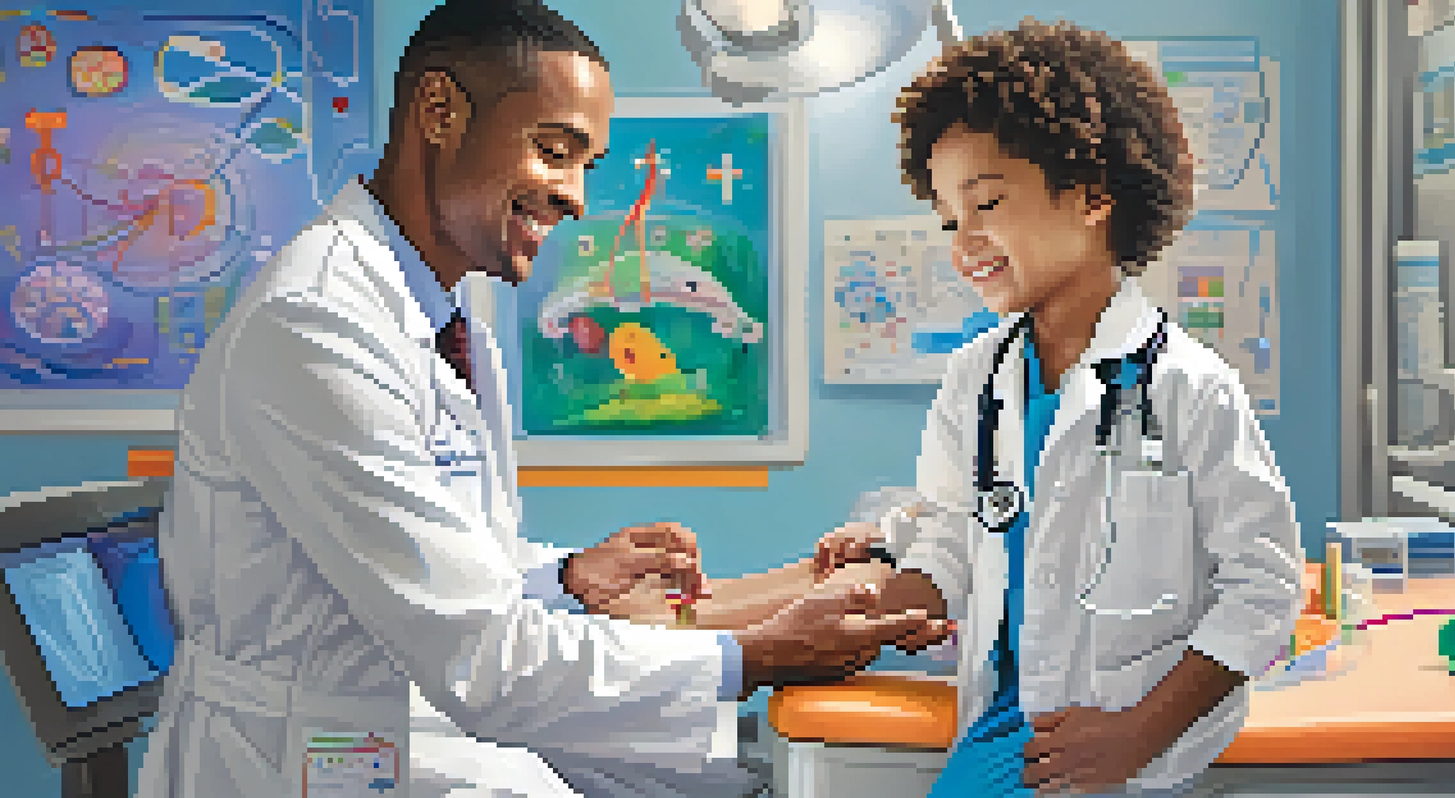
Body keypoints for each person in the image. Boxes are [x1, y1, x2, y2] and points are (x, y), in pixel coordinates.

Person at [134, 2, 948, 796]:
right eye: (554, 150)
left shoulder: (446, 324)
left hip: (402, 721)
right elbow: (481, 653)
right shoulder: (317, 325)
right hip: (295, 754)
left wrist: (564, 577)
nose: (576, 199)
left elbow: (443, 558)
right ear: (440, 110)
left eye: (586, 166)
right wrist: (758, 657)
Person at [819, 18, 1305, 797]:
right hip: (1011, 728)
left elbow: (1265, 586)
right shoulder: (974, 381)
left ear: (1092, 195)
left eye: (987, 203)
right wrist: (887, 596)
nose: (963, 241)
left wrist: (1135, 736)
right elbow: (950, 531)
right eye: (949, 217)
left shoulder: (1189, 385)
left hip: (1131, 743)